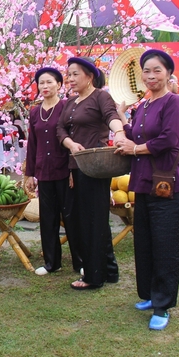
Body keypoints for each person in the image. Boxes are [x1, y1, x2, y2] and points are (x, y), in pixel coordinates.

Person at [114, 49, 179, 331]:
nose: (151, 76)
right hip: (142, 184)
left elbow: (169, 139)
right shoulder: (143, 105)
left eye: (157, 70)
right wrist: (122, 119)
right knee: (144, 243)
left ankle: (163, 305)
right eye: (146, 71)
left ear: (168, 73)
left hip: (166, 184)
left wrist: (137, 149)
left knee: (166, 245)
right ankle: (148, 294)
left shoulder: (174, 102)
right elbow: (136, 134)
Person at [56, 57, 125, 291]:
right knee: (89, 220)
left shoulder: (100, 96)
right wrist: (70, 144)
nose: (71, 79)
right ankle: (110, 270)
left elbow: (111, 116)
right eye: (69, 74)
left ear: (90, 76)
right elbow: (61, 128)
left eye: (75, 74)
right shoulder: (71, 102)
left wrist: (120, 133)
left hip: (96, 165)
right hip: (76, 165)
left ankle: (94, 276)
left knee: (92, 221)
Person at [24, 67, 77, 276]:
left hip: (65, 170)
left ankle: (79, 261)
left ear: (59, 84)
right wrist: (29, 174)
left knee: (72, 217)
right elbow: (32, 144)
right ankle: (51, 262)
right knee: (48, 218)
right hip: (44, 172)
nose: (45, 87)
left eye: (49, 82)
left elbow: (74, 138)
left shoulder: (67, 107)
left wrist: (74, 169)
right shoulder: (35, 112)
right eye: (41, 83)